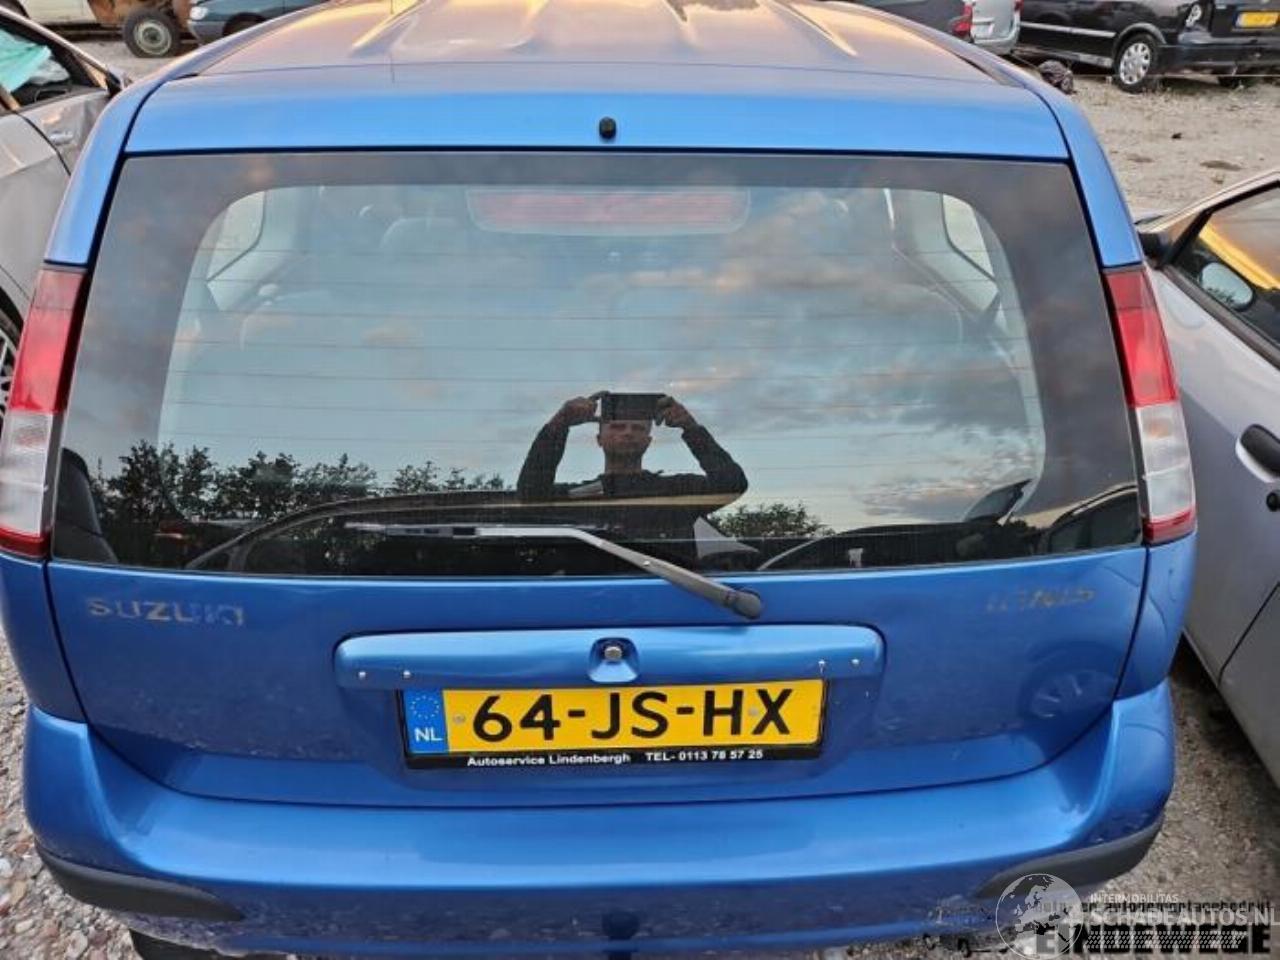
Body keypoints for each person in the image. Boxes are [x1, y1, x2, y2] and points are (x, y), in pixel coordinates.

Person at [517, 393, 747, 552]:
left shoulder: (676, 491)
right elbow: (530, 495)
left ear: (648, 441)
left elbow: (732, 484)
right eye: (618, 426)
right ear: (599, 439)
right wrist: (560, 422)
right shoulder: (578, 497)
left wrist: (690, 427)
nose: (628, 433)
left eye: (637, 428)